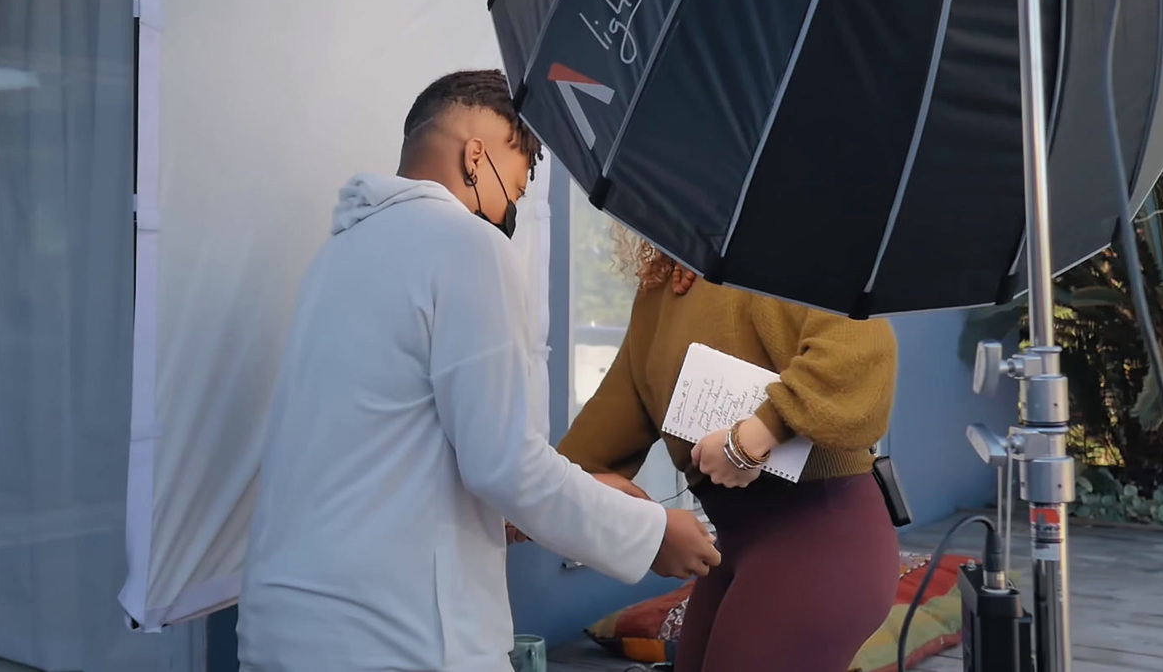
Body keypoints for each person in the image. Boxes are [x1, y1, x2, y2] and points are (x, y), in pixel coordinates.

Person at [237, 70, 720, 672]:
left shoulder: (336, 259)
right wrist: (651, 533)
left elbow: (400, 453)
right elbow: (505, 466)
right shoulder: (465, 246)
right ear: (475, 158)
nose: (509, 219)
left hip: (284, 631)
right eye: (512, 195)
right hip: (396, 641)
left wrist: (576, 497)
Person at [557, 237, 900, 672]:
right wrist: (540, 492)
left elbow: (862, 352)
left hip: (821, 531)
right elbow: (602, 435)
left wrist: (752, 439)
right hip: (734, 542)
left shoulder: (783, 255)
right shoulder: (662, 289)